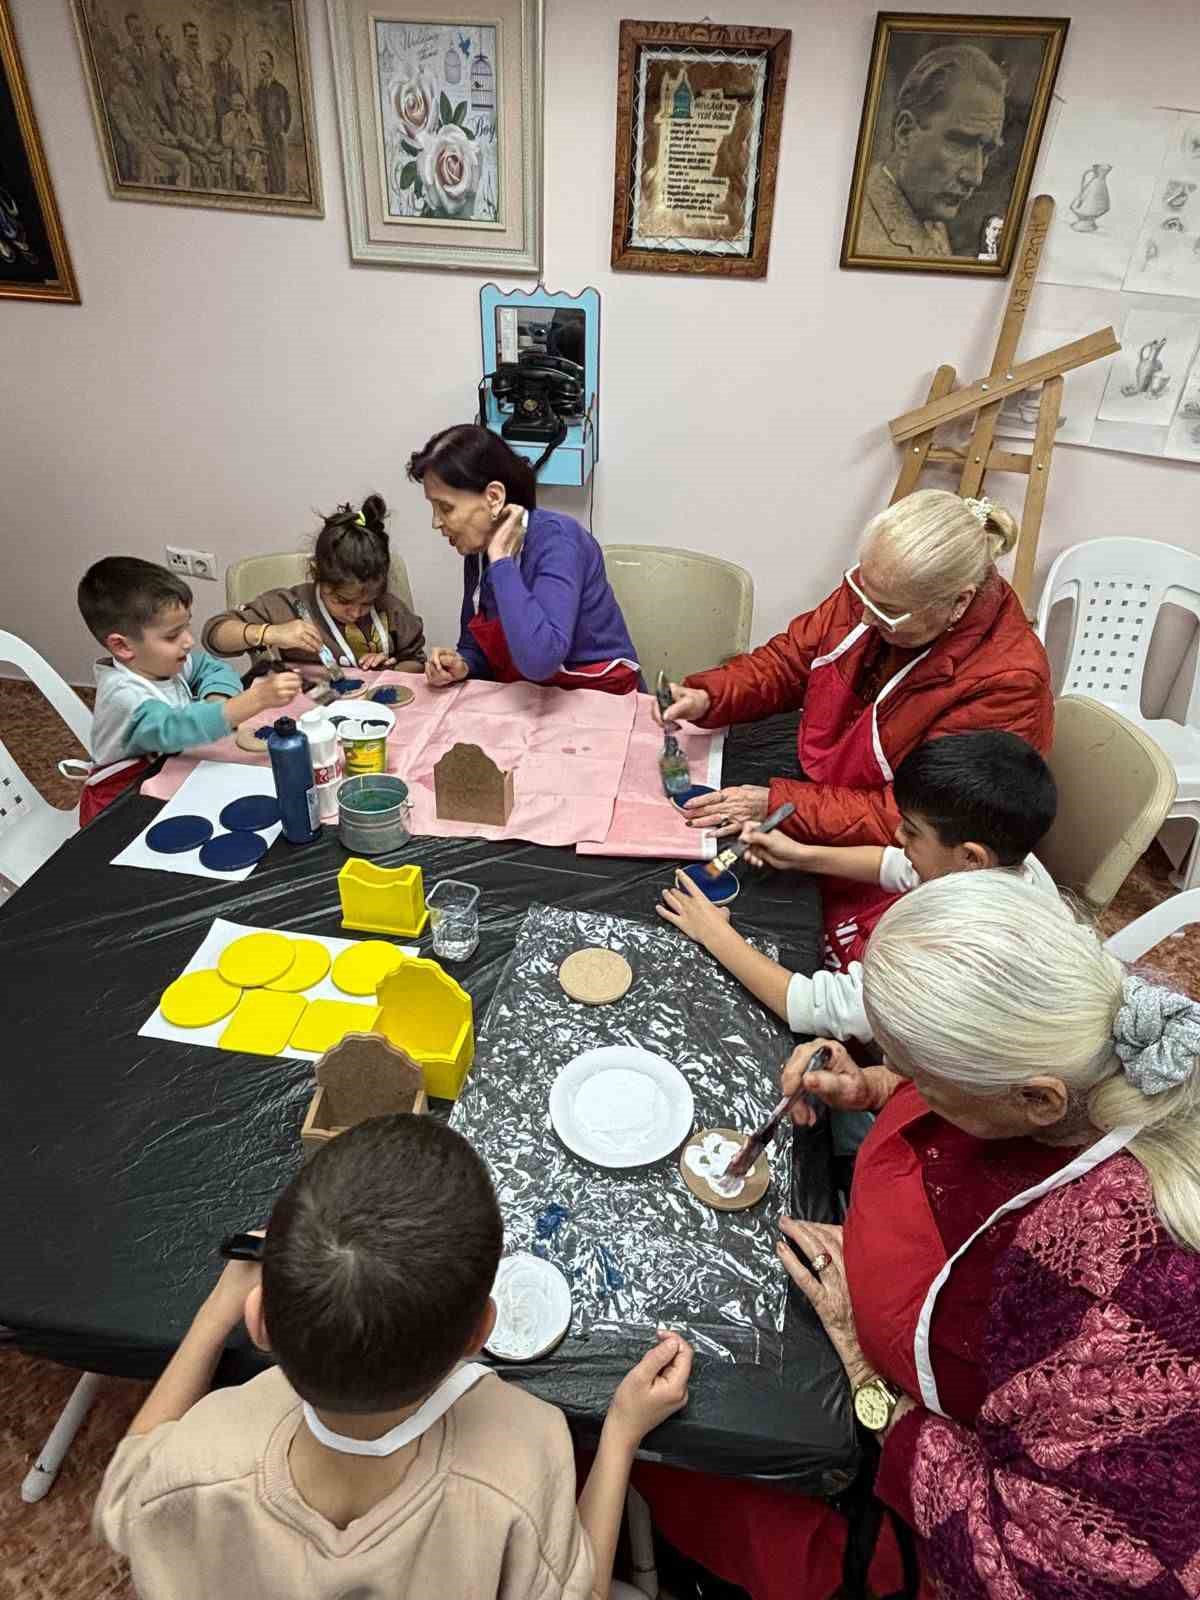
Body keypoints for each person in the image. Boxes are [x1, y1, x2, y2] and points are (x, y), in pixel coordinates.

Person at [634, 872, 1200, 1598]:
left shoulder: (1124, 1294)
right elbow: (965, 1091)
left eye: (922, 1077)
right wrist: (872, 1087)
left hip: (909, 1500)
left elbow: (1021, 1569)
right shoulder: (1077, 1043)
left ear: (1035, 1099)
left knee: (678, 1454)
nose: (907, 1083)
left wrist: (869, 1379)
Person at [94, 1115, 693, 1599]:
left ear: (261, 1321)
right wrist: (621, 1432)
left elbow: (123, 1491)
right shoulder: (524, 1449)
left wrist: (213, 1314)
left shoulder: (194, 1464)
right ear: (481, 1331)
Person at [659, 489, 1052, 951]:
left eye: (887, 612)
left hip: (909, 857)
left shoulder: (1008, 681)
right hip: (841, 796)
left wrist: (782, 804)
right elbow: (791, 662)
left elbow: (913, 819)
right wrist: (709, 696)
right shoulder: (878, 591)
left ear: (958, 603)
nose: (863, 614)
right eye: (862, 590)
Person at [658, 731, 1059, 1045]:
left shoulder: (953, 957)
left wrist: (715, 934)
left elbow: (818, 1008)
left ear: (971, 856)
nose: (897, 837)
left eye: (911, 831)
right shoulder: (1008, 865)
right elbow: (898, 865)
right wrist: (801, 855)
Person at [408, 423, 641, 693]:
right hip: (533, 696)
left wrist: (501, 561)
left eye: (446, 508)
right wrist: (463, 664)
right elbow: (475, 647)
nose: (436, 522)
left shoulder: (559, 542)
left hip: (604, 696)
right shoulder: (478, 551)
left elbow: (540, 660)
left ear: (494, 497)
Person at [78, 557, 301, 822]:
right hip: (120, 806)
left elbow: (211, 667)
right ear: (122, 646)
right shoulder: (125, 697)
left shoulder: (158, 662)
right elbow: (176, 728)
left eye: (187, 626)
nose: (189, 641)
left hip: (168, 772)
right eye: (172, 635)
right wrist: (255, 700)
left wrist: (216, 699)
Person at [203, 495, 425, 676]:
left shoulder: (390, 610)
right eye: (342, 601)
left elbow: (416, 662)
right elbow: (214, 634)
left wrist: (391, 670)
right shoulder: (287, 607)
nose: (355, 613)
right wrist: (270, 633)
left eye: (367, 603)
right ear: (317, 574)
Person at [860, 45, 1007, 259]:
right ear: (905, 133)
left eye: (987, 150)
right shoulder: (868, 243)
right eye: (961, 143)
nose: (975, 177)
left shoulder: (926, 210)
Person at [107, 55, 191, 187]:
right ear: (121, 74)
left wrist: (164, 133)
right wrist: (140, 145)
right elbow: (125, 130)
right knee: (148, 165)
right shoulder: (117, 97)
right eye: (128, 70)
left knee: (182, 159)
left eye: (132, 69)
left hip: (155, 141)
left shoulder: (140, 92)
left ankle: (183, 192)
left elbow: (153, 118)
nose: (133, 73)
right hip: (139, 145)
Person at [254, 49, 291, 195]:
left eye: (265, 64)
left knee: (278, 165)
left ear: (272, 65)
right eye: (260, 65)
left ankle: (280, 194)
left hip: (276, 134)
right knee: (267, 165)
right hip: (263, 133)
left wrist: (283, 130)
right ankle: (270, 193)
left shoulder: (280, 89)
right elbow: (256, 110)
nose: (262, 68)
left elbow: (287, 112)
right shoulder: (258, 89)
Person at [208, 30, 244, 132]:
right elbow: (210, 89)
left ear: (229, 47)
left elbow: (240, 93)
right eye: (218, 44)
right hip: (217, 111)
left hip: (232, 115)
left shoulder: (236, 71)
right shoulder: (211, 67)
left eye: (222, 44)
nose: (219, 47)